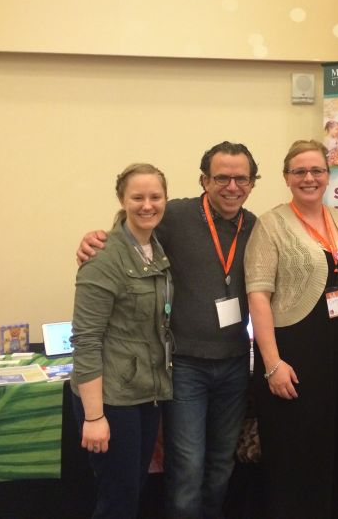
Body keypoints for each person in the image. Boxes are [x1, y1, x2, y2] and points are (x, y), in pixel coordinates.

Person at [76, 142, 259, 519]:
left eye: (241, 178)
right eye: (221, 177)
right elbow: (132, 228)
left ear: (252, 183)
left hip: (235, 364)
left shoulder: (254, 226)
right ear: (204, 181)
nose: (231, 186)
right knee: (187, 466)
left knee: (222, 463)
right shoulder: (174, 215)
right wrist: (94, 241)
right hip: (184, 367)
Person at [245, 139, 338, 519]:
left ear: (327, 174)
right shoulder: (270, 225)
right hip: (296, 354)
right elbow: (258, 296)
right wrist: (271, 364)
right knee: (301, 449)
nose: (309, 178)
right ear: (287, 177)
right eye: (299, 171)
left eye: (317, 170)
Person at [71, 163, 173, 519]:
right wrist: (94, 415)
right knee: (118, 499)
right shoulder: (103, 256)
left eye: (155, 197)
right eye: (138, 197)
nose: (148, 205)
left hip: (146, 392)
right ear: (121, 200)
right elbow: (85, 340)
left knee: (132, 491)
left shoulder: (157, 248)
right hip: (111, 398)